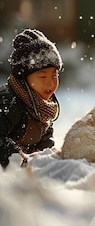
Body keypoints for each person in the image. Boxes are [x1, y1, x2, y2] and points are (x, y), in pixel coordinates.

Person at [0, 29, 63, 168]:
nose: (50, 82)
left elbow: (45, 140)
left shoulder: (42, 107)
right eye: (42, 76)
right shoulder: (9, 103)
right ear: (24, 78)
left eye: (54, 75)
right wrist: (16, 157)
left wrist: (47, 157)